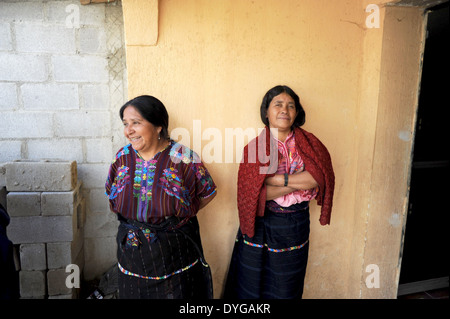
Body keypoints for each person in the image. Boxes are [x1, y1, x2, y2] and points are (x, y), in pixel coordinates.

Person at [225, 85, 335, 299]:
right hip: (261, 223)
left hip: (296, 224)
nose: (285, 110)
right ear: (266, 112)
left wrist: (276, 180)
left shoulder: (311, 145)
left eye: (290, 106)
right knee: (251, 283)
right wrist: (298, 181)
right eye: (278, 104)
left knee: (286, 286)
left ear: (296, 113)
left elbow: (318, 179)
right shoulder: (256, 148)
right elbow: (255, 194)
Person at [105, 95, 217, 299]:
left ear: (158, 125)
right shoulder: (121, 157)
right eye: (125, 124)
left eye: (136, 123)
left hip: (173, 251)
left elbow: (208, 192)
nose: (128, 131)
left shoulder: (184, 158)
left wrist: (182, 213)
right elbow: (110, 193)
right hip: (133, 252)